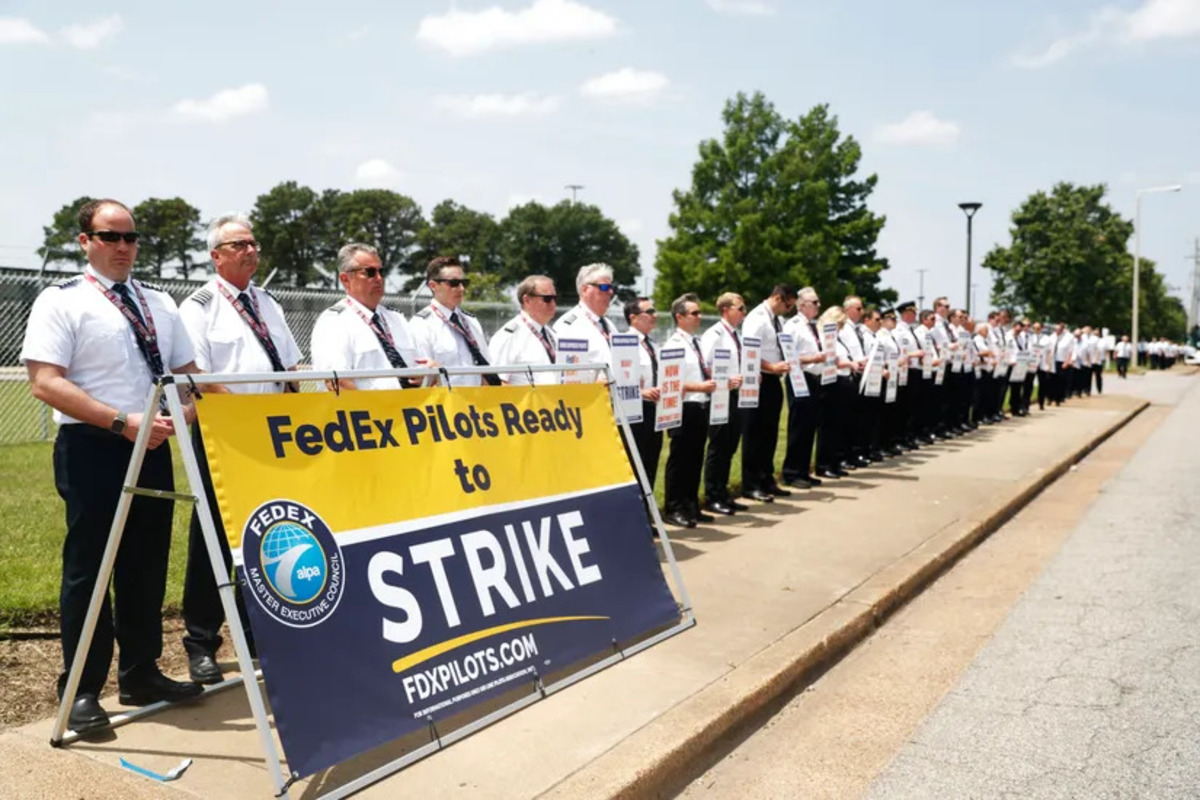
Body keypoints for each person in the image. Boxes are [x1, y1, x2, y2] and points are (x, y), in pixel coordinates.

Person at [20, 199, 203, 733]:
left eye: (131, 237)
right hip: (94, 445)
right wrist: (120, 422)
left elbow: (187, 371)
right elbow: (46, 382)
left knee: (146, 562)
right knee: (92, 568)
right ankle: (80, 689)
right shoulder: (62, 302)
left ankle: (141, 671)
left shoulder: (160, 303)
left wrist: (186, 410)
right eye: (110, 237)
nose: (123, 247)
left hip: (153, 443)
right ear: (85, 241)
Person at [178, 213, 302, 685]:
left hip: (274, 437)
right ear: (216, 255)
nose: (251, 250)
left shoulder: (269, 303)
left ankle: (261, 636)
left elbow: (289, 368)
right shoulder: (201, 307)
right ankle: (201, 641)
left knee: (268, 536)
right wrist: (250, 423)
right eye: (239, 244)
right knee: (212, 538)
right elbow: (202, 381)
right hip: (225, 438)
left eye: (254, 242)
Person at [311, 244, 425, 390]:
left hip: (409, 409)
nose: (379, 278)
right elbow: (338, 384)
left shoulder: (397, 319)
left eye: (381, 271)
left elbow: (419, 367)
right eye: (370, 272)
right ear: (345, 279)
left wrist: (426, 372)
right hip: (371, 411)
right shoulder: (334, 322)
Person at [662, 294, 717, 528]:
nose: (699, 317)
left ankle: (691, 504)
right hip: (683, 408)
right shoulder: (673, 346)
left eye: (699, 312)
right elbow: (669, 381)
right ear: (680, 317)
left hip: (700, 406)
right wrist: (699, 386)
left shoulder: (697, 343)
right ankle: (674, 507)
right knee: (680, 460)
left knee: (695, 459)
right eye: (694, 313)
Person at [740, 284, 797, 502]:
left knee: (770, 433)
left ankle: (766, 479)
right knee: (755, 434)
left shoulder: (777, 320)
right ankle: (751, 483)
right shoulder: (757, 319)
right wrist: (771, 367)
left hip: (774, 379)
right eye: (788, 305)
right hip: (759, 379)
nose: (788, 310)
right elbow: (749, 351)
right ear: (778, 298)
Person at [409, 255, 496, 387]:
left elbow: (486, 370)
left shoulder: (471, 321)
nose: (461, 288)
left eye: (464, 282)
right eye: (454, 283)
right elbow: (423, 379)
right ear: (433, 285)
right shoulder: (421, 325)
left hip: (475, 403)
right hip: (444, 404)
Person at [699, 292, 747, 514]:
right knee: (718, 447)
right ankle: (712, 495)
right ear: (726, 310)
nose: (744, 313)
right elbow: (706, 366)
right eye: (740, 308)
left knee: (730, 445)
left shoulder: (735, 335)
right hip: (719, 396)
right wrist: (724, 381)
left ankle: (723, 490)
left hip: (735, 394)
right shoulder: (714, 334)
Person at [783, 287, 832, 483]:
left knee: (809, 426)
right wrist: (813, 357)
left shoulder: (812, 326)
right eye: (815, 302)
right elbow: (789, 354)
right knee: (799, 426)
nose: (819, 306)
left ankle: (803, 471)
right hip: (799, 377)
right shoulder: (793, 326)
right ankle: (792, 472)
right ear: (801, 305)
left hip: (814, 379)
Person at [553, 263, 617, 383]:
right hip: (590, 399)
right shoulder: (568, 326)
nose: (610, 292)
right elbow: (564, 376)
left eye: (612, 287)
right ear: (585, 289)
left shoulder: (609, 325)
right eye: (604, 287)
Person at [488, 275, 558, 385]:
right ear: (527, 300)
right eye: (547, 299)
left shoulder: (552, 334)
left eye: (555, 298)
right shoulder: (509, 336)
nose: (553, 304)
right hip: (525, 401)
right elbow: (498, 382)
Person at [623, 298, 663, 488]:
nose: (654, 316)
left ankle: (649, 510)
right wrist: (641, 392)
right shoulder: (625, 344)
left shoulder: (654, 345)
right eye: (649, 311)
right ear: (633, 317)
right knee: (635, 463)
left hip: (656, 410)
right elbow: (621, 380)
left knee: (652, 461)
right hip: (636, 411)